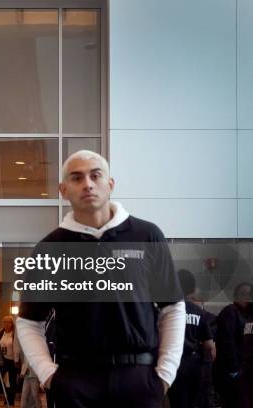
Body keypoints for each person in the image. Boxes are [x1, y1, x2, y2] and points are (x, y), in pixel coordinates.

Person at [17, 150, 186, 408]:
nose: (87, 184)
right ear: (63, 190)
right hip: (76, 383)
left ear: (110, 184)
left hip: (140, 381)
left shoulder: (147, 235)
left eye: (95, 175)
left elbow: (172, 308)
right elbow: (29, 322)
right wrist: (49, 375)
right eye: (77, 178)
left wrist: (165, 374)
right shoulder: (49, 248)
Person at [167, 269, 215, 408]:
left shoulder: (164, 310)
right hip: (194, 365)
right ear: (193, 289)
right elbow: (210, 347)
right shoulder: (198, 311)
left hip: (172, 364)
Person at [213, 282, 252, 408]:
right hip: (232, 373)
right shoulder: (230, 312)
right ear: (235, 296)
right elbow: (226, 343)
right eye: (243, 294)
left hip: (244, 372)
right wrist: (235, 370)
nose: (247, 297)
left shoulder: (247, 315)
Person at [0, 315, 21, 407]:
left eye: (8, 322)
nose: (6, 324)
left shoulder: (14, 334)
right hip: (2, 361)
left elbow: (17, 347)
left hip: (12, 361)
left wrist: (17, 360)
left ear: (11, 323)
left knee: (12, 382)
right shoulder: (0, 333)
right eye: (4, 322)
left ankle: (10, 402)